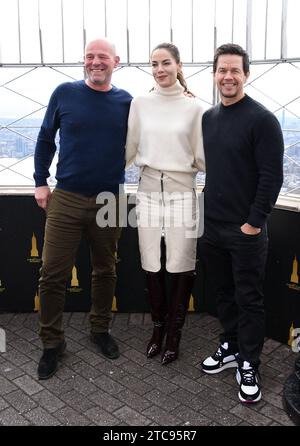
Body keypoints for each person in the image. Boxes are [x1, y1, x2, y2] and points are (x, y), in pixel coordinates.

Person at [33, 39, 132, 380]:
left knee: (106, 269)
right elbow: (46, 138)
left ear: (115, 61)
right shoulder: (64, 93)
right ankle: (51, 343)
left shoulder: (128, 102)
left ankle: (99, 330)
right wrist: (39, 181)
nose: (95, 62)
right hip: (68, 196)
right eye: (89, 56)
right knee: (52, 273)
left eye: (102, 56)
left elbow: (157, 127)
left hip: (111, 198)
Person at [199, 43, 284, 403]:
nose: (228, 76)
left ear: (247, 74)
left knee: (248, 298)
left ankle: (249, 361)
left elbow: (271, 177)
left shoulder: (262, 120)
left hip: (245, 231)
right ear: (214, 74)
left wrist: (253, 224)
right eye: (222, 70)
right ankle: (231, 347)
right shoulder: (209, 117)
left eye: (235, 70)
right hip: (213, 227)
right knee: (224, 294)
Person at [126, 43, 205, 365]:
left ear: (178, 65)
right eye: (154, 64)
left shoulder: (196, 108)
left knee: (182, 264)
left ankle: (175, 334)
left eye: (166, 63)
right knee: (150, 262)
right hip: (147, 187)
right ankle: (157, 330)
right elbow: (129, 147)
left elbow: (203, 157)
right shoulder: (140, 103)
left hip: (182, 188)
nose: (159, 69)